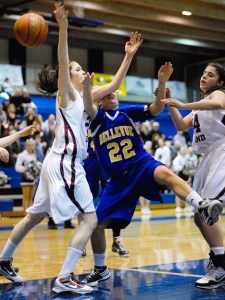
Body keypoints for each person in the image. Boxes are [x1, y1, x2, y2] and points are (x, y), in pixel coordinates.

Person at [0, 2, 143, 295]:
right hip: (65, 164)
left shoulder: (84, 97)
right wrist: (63, 27)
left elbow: (116, 82)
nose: (80, 70)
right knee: (90, 219)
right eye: (77, 69)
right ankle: (65, 277)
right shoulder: (67, 95)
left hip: (58, 163)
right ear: (70, 77)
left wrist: (128, 55)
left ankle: (2, 260)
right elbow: (63, 62)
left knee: (34, 216)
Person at [81, 62, 223, 287]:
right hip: (118, 179)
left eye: (114, 93)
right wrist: (88, 89)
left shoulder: (126, 112)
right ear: (100, 101)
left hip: (140, 164)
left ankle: (203, 205)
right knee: (96, 226)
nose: (113, 95)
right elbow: (87, 104)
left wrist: (162, 82)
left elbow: (156, 109)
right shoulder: (96, 118)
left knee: (166, 173)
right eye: (108, 94)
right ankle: (100, 268)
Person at [161, 62, 225, 289]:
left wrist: (182, 102)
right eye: (204, 73)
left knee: (207, 208)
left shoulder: (219, 94)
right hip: (208, 157)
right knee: (199, 215)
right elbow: (180, 125)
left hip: (223, 150)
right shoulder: (200, 107)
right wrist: (171, 103)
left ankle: (221, 265)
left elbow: (218, 103)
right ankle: (219, 259)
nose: (204, 77)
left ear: (220, 82)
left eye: (210, 75)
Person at [83, 130, 129, 256]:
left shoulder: (111, 115)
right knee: (83, 201)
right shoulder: (85, 114)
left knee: (115, 200)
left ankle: (116, 239)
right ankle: (81, 241)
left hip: (109, 159)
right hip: (90, 160)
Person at [15, 139, 41, 211]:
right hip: (25, 179)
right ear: (26, 146)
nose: (30, 147)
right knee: (26, 197)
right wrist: (27, 169)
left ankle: (30, 214)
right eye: (29, 145)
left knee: (31, 198)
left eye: (32, 145)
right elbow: (17, 167)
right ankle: (25, 214)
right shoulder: (22, 155)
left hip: (33, 179)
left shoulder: (34, 155)